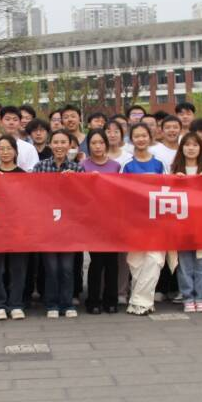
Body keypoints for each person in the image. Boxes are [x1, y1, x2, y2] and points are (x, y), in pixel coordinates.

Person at [33, 130, 80, 318]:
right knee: (51, 268)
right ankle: (51, 303)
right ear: (50, 145)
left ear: (70, 145)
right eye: (56, 142)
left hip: (69, 227)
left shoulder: (77, 169)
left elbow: (84, 198)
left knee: (67, 268)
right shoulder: (40, 166)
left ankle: (67, 304)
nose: (59, 146)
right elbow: (33, 194)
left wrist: (75, 182)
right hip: (47, 226)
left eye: (63, 142)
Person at [121, 123, 166, 316]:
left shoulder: (160, 164)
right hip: (135, 220)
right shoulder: (127, 165)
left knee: (155, 259)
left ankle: (140, 302)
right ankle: (142, 301)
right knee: (136, 261)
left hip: (156, 219)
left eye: (144, 136)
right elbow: (121, 192)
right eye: (137, 136)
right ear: (132, 140)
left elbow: (167, 188)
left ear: (150, 138)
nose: (141, 139)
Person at [0, 135, 29, 321]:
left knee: (18, 268)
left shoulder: (24, 175)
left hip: (18, 229)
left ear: (15, 151)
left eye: (9, 148)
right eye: (1, 149)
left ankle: (16, 304)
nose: (5, 152)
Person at [78, 130, 121, 314]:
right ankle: (93, 300)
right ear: (88, 145)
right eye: (93, 143)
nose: (97, 146)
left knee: (112, 262)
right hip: (92, 221)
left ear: (106, 144)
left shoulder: (116, 166)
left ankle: (111, 300)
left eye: (101, 142)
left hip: (113, 220)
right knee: (96, 261)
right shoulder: (83, 165)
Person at [171, 132, 202, 313]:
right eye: (187, 145)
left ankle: (201, 297)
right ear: (181, 148)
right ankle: (188, 297)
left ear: (201, 148)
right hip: (182, 224)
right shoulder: (174, 170)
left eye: (195, 145)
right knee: (185, 265)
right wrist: (175, 181)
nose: (191, 148)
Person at [0, 106, 40, 170]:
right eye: (7, 119)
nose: (11, 123)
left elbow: (34, 172)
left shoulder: (29, 149)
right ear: (1, 122)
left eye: (15, 120)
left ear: (20, 122)